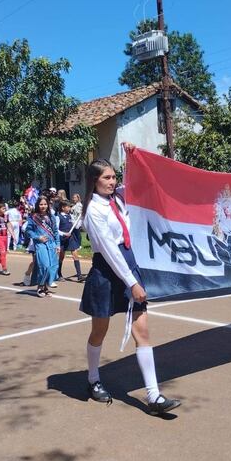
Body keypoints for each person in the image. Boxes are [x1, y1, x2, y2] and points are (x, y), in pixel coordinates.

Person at [79, 148, 181, 415]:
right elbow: (110, 252)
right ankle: (93, 379)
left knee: (142, 331)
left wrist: (132, 156)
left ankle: (154, 396)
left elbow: (138, 183)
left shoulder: (119, 200)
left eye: (114, 177)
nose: (112, 182)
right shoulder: (93, 211)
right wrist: (132, 283)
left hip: (128, 265)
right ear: (94, 181)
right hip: (107, 271)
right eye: (107, 178)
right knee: (99, 331)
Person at [26, 196, 59, 297]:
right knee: (44, 265)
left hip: (52, 244)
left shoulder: (52, 217)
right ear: (37, 205)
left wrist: (58, 245)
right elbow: (28, 231)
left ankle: (45, 287)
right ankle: (40, 286)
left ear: (48, 205)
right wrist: (38, 237)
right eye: (41, 204)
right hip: (40, 245)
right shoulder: (33, 217)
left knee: (52, 266)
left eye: (45, 204)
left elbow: (56, 232)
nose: (43, 206)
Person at [58, 199, 83, 280]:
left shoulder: (70, 216)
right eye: (68, 207)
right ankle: (59, 274)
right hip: (62, 239)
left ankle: (79, 275)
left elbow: (76, 226)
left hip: (70, 239)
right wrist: (64, 234)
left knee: (75, 254)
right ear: (63, 208)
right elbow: (56, 230)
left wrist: (80, 218)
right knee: (61, 256)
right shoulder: (58, 217)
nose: (69, 208)